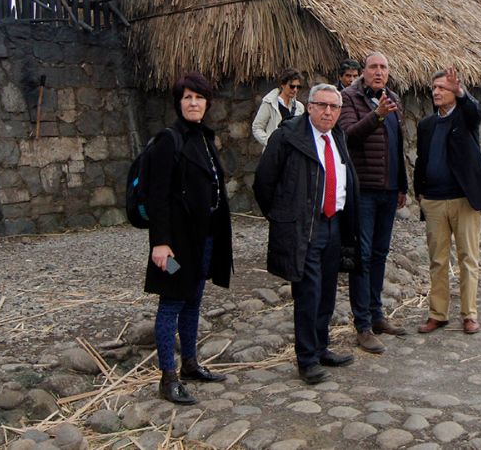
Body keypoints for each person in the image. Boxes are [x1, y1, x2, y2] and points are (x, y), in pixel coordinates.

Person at [254, 84, 360, 384]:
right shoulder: (288, 137)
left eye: (334, 107)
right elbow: (264, 182)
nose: (328, 112)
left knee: (327, 290)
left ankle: (321, 347)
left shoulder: (337, 136)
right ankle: (307, 359)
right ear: (309, 106)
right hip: (305, 227)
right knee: (308, 293)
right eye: (322, 105)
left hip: (334, 224)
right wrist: (282, 218)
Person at [145, 71, 233, 405]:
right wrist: (160, 242)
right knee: (171, 303)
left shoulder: (203, 138)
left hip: (203, 239)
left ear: (207, 102)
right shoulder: (170, 140)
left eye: (198, 97)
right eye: (187, 97)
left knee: (193, 300)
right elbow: (158, 196)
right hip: (175, 244)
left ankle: (190, 364)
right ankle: (167, 378)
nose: (193, 103)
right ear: (178, 103)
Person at [414, 67, 481, 335]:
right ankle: (438, 314)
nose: (436, 92)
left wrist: (463, 93)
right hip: (434, 201)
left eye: (442, 87)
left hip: (464, 199)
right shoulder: (426, 125)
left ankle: (469, 315)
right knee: (438, 261)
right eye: (434, 88)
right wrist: (420, 191)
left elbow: (476, 111)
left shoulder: (465, 117)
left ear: (454, 91)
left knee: (467, 258)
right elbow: (421, 159)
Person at [339, 52, 408, 354]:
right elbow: (347, 136)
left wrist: (402, 185)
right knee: (362, 256)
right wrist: (377, 115)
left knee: (380, 253)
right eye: (373, 67)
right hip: (363, 190)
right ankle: (363, 325)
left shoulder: (392, 98)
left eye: (383, 67)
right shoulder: (348, 97)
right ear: (362, 72)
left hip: (388, 189)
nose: (378, 72)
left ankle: (377, 315)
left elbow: (397, 143)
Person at [252, 68, 305, 148]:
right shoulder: (269, 103)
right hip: (275, 153)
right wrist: (271, 142)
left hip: (293, 154)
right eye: (292, 86)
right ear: (283, 85)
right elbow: (257, 128)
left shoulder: (299, 107)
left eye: (298, 87)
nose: (295, 90)